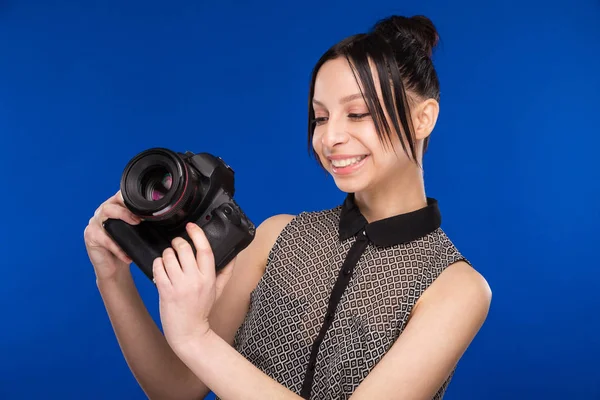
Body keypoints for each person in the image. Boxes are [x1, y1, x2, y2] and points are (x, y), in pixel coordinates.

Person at [84, 14, 492, 400]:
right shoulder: (277, 237)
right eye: (319, 117)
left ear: (423, 119)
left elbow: (198, 347)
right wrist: (112, 276)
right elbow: (176, 388)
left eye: (357, 113)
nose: (330, 137)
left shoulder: (456, 288)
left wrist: (196, 337)